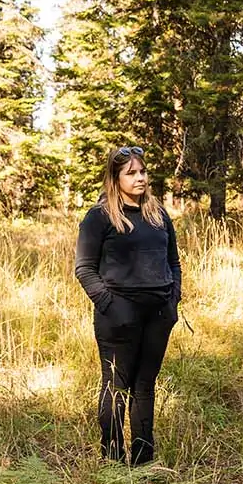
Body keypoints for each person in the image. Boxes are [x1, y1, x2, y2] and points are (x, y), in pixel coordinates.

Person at [75, 146, 181, 465]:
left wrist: (172, 304)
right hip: (117, 317)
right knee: (116, 387)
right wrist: (110, 305)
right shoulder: (100, 216)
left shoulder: (158, 215)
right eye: (131, 173)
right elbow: (84, 268)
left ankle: (143, 460)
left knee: (145, 386)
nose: (140, 178)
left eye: (142, 171)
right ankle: (112, 460)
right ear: (115, 177)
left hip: (158, 315)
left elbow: (173, 263)